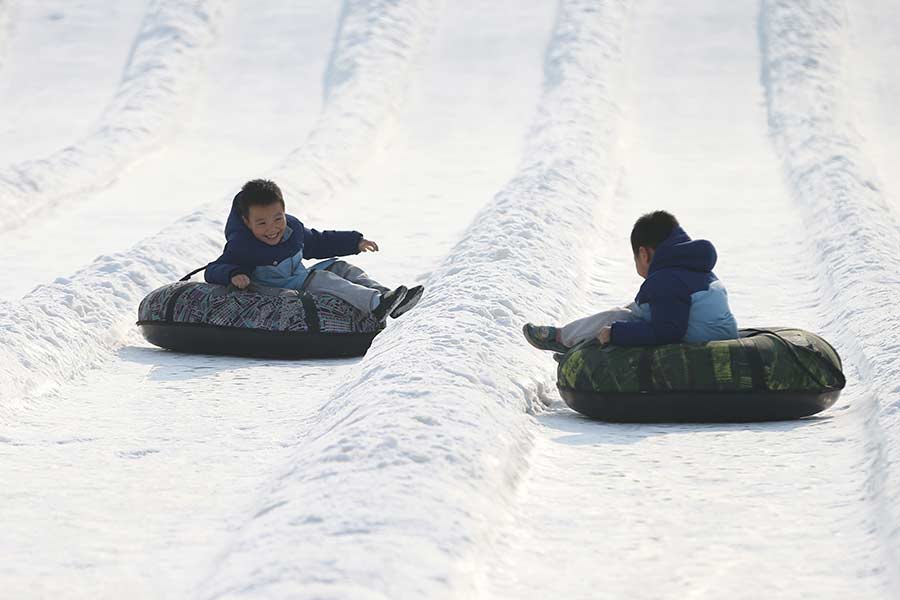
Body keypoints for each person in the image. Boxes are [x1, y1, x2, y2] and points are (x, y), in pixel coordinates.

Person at [205, 179, 423, 321]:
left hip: (298, 278)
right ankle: (375, 305)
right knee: (324, 278)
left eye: (277, 218)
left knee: (341, 267)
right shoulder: (243, 246)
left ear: (284, 212)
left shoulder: (293, 231)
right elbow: (214, 269)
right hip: (273, 289)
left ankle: (389, 298)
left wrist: (354, 242)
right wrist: (234, 274)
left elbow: (319, 242)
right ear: (247, 222)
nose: (272, 229)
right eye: (261, 223)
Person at [523, 210, 737, 352]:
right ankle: (582, 343)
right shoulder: (699, 269)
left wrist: (616, 332)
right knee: (634, 309)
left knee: (619, 318)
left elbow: (668, 331)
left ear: (644, 254)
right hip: (717, 334)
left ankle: (562, 338)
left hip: (694, 342)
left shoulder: (665, 280)